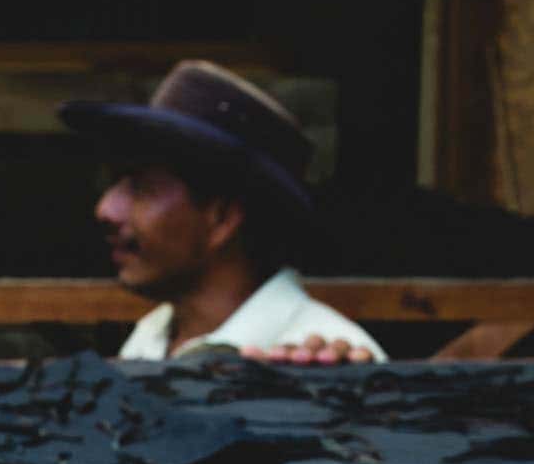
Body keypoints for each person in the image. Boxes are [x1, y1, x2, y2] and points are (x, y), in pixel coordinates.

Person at [61, 60, 384, 363]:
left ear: (222, 218)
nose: (106, 209)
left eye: (141, 188)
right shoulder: (151, 337)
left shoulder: (329, 360)